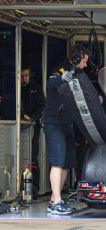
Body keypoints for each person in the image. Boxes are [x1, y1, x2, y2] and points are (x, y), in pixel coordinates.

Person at [42, 45, 89, 215]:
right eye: (83, 61)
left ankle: (55, 200)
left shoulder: (80, 74)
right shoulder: (61, 69)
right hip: (53, 122)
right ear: (76, 59)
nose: (85, 65)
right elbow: (51, 82)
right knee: (58, 161)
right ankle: (57, 202)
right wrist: (63, 78)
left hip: (67, 123)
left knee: (68, 163)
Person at [21, 66, 45, 199]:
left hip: (32, 126)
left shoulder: (36, 88)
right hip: (19, 126)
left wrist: (33, 117)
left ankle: (34, 189)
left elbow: (43, 106)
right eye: (22, 76)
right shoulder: (16, 89)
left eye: (26, 76)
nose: (24, 79)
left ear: (30, 75)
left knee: (32, 157)